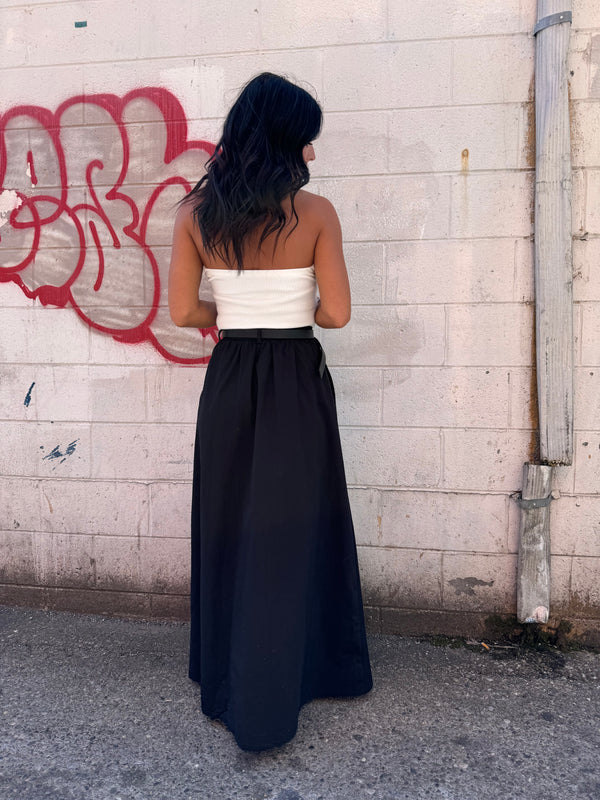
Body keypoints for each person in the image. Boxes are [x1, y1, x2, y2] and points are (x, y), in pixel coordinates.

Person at [168, 72, 373, 752]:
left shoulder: (194, 214)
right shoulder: (315, 214)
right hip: (293, 376)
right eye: (307, 141)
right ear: (287, 142)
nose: (313, 154)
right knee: (291, 526)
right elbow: (337, 314)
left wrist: (240, 308)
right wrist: (291, 308)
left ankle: (227, 675)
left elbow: (185, 313)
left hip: (230, 375)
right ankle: (298, 672)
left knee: (229, 520)